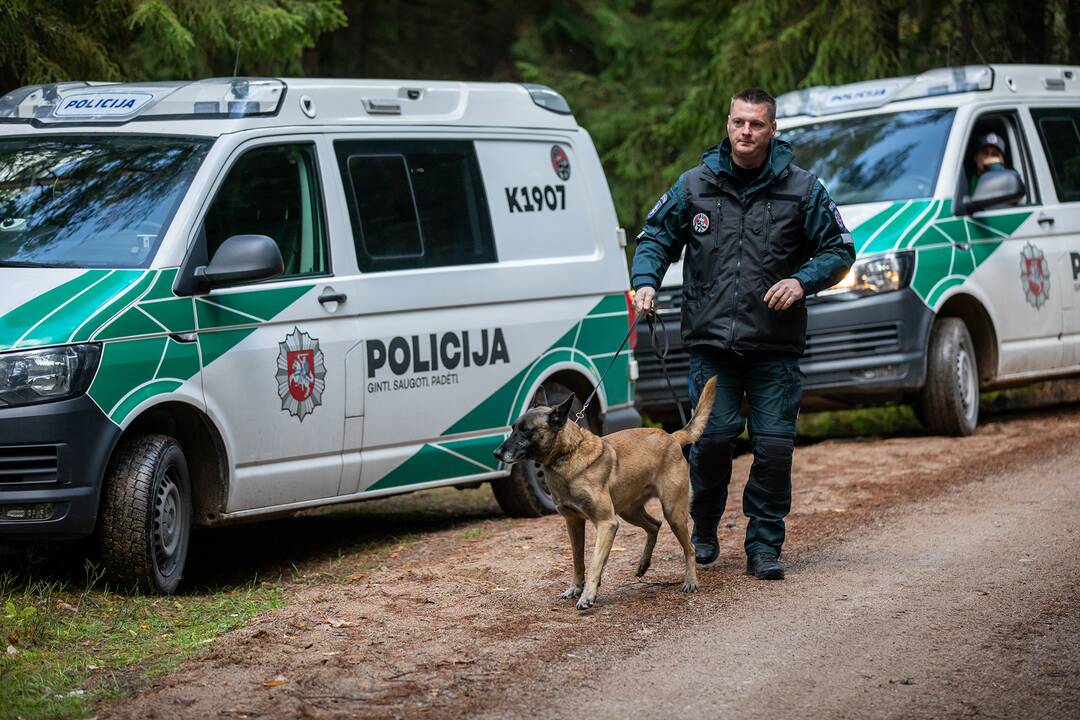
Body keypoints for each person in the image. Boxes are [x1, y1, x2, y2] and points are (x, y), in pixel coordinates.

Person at [630, 88, 855, 580]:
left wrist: (802, 281)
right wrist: (644, 283)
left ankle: (764, 546)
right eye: (738, 123)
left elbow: (839, 249)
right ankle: (704, 529)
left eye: (756, 124)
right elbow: (655, 239)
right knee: (711, 443)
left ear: (773, 129)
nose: (746, 132)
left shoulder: (804, 189)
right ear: (728, 124)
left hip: (774, 346)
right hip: (712, 345)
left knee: (773, 447)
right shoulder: (694, 185)